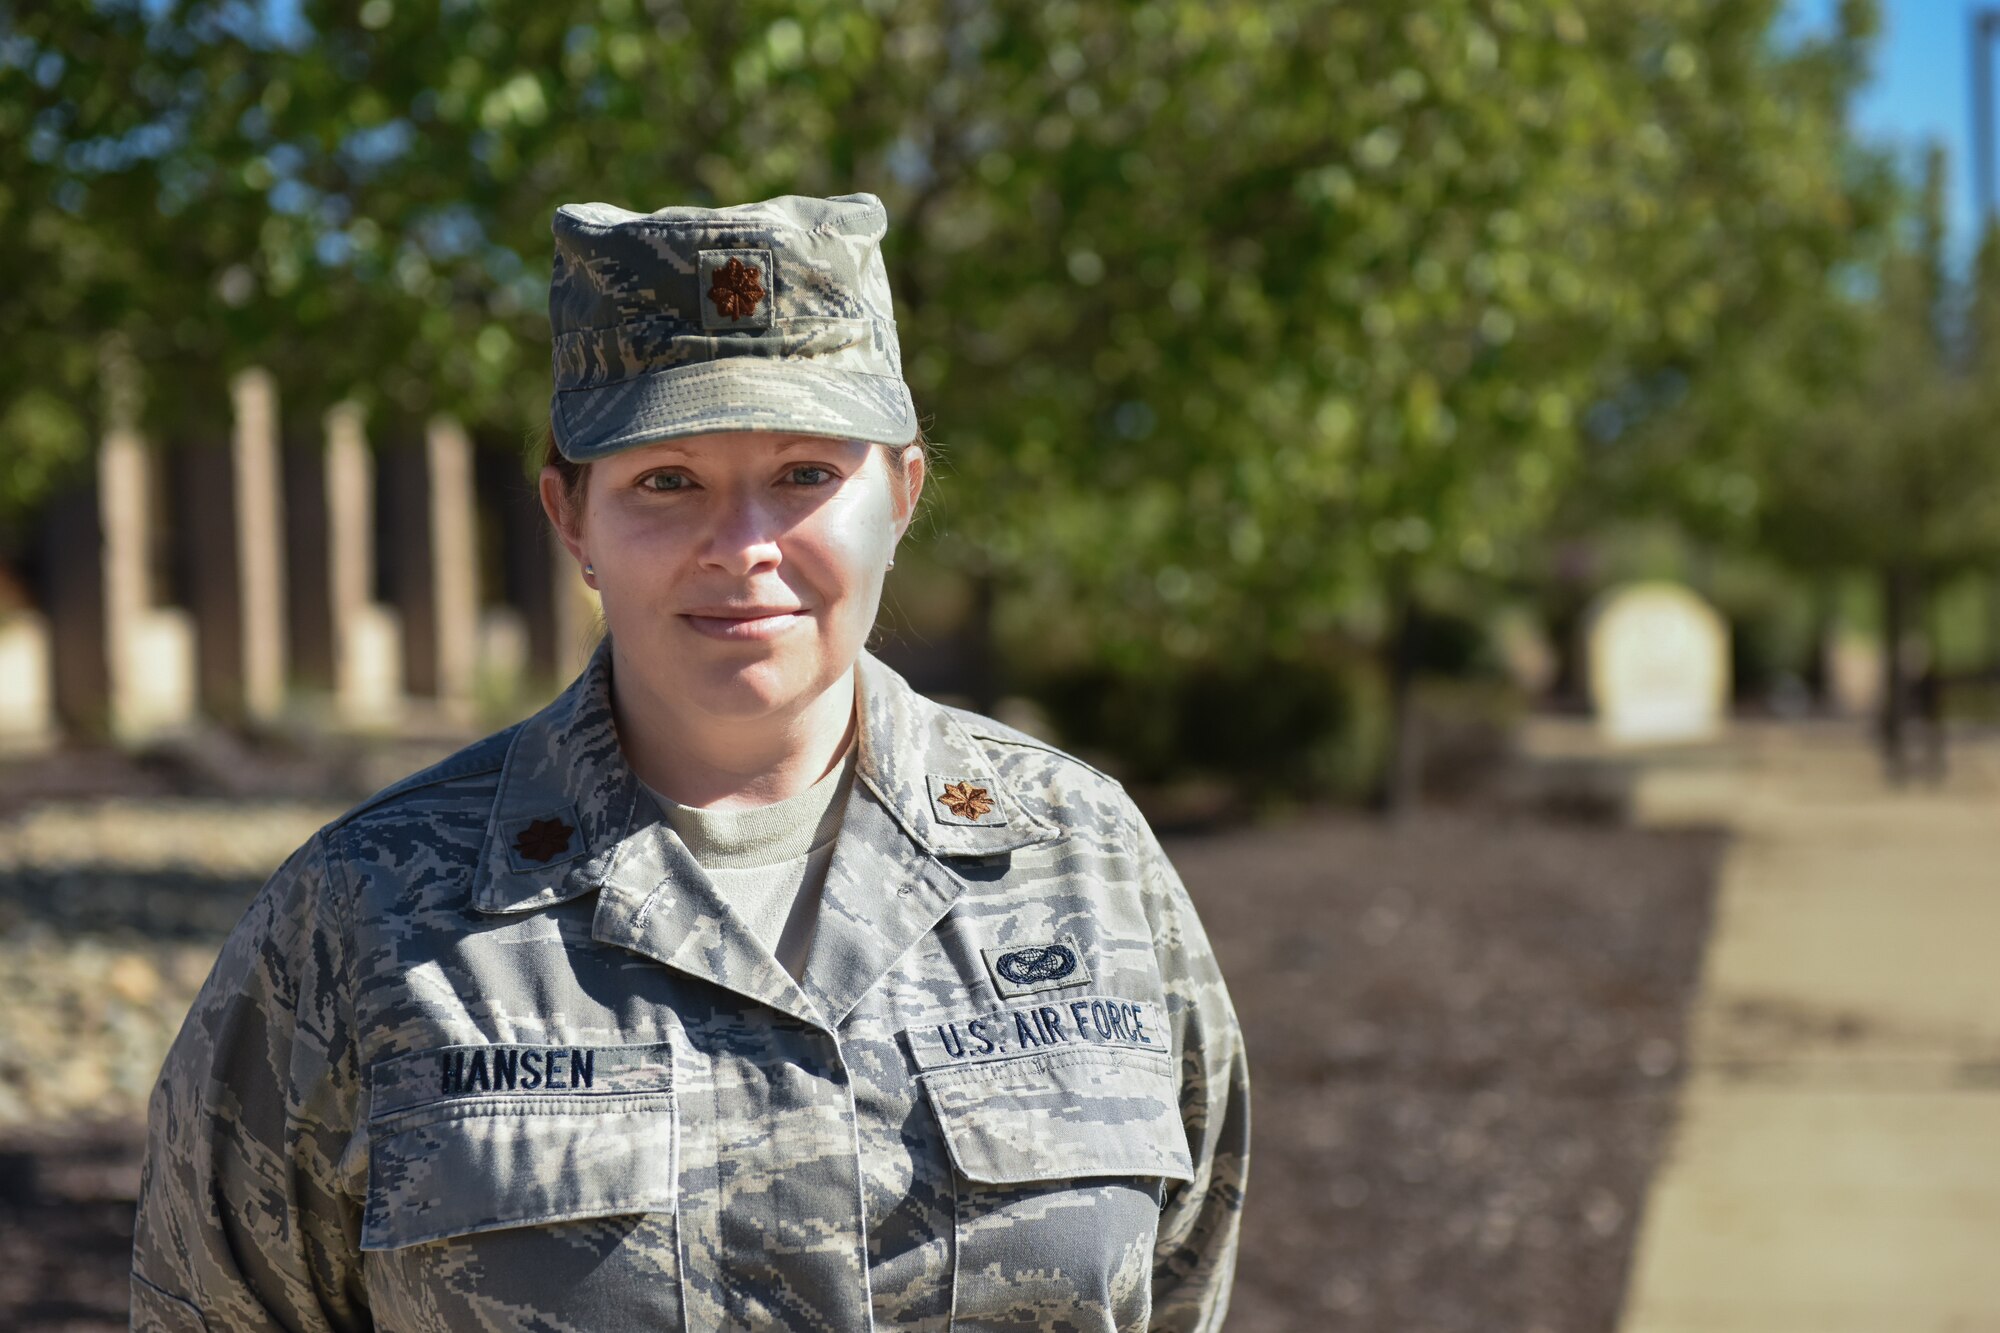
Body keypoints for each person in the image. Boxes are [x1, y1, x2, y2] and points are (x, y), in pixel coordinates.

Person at [131, 192, 1249, 1332]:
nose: (743, 546)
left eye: (807, 473)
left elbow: (1183, 1272)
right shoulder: (361, 915)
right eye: (667, 481)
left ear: (902, 495)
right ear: (572, 520)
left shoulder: (1081, 860)